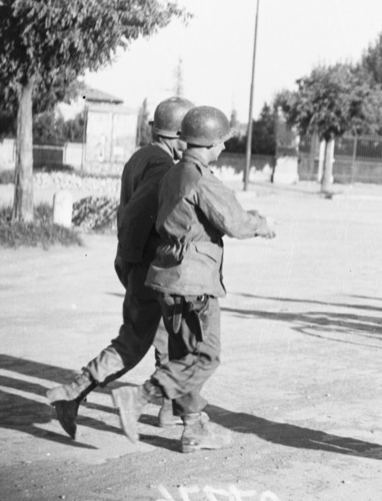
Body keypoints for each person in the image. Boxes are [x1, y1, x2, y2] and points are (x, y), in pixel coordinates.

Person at [110, 106, 276, 453]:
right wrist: (261, 224)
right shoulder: (202, 179)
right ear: (210, 142)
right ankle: (139, 397)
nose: (224, 148)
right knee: (205, 356)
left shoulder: (174, 174)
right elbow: (235, 222)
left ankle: (194, 429)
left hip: (168, 277)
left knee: (184, 353)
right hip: (193, 281)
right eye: (222, 142)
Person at [46, 97, 194, 439]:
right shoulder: (161, 167)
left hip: (139, 265)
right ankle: (74, 393)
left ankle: (166, 408)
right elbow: (138, 215)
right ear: (176, 135)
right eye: (188, 133)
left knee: (156, 338)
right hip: (148, 266)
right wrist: (129, 257)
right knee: (150, 342)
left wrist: (126, 258)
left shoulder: (141, 157)